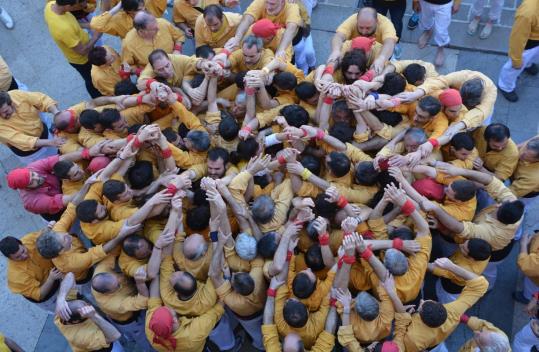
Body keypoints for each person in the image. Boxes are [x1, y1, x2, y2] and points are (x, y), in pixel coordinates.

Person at [44, 0, 103, 98]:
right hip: (83, 60)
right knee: (92, 80)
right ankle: (98, 98)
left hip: (78, 47)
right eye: (78, 5)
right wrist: (96, 37)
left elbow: (73, 24)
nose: (82, 6)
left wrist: (90, 25)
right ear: (67, 6)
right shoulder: (64, 29)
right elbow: (82, 51)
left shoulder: (50, 5)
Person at [0, 90, 62, 163]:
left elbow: (41, 100)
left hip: (46, 135)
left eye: (5, 111)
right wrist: (51, 142)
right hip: (33, 155)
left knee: (59, 155)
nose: (3, 116)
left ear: (11, 103)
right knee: (49, 169)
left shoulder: (16, 95)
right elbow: (23, 140)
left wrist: (57, 113)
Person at [498, 0, 539, 102]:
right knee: (513, 68)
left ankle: (528, 64)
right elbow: (517, 39)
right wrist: (516, 60)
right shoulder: (527, 13)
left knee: (533, 57)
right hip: (528, 45)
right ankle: (505, 86)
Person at [414, 0, 460, 66]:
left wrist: (457, 2)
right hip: (424, 1)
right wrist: (415, 1)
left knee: (441, 30)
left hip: (445, 3)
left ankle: (440, 47)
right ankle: (428, 31)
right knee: (425, 19)